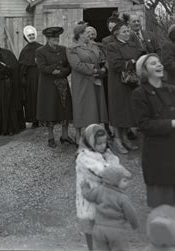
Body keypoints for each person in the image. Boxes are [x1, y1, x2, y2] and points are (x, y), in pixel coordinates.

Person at [132, 54, 175, 208]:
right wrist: (171, 123)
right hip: (157, 152)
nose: (159, 65)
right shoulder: (139, 94)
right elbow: (143, 124)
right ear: (144, 70)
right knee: (163, 204)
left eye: (159, 62)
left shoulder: (171, 89)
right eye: (153, 63)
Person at [75, 124, 121, 251]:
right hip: (90, 203)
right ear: (90, 142)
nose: (103, 146)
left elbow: (115, 166)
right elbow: (101, 173)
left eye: (104, 142)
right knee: (92, 232)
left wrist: (110, 160)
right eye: (99, 143)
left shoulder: (106, 153)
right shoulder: (83, 157)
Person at [105, 17, 143, 154]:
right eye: (125, 31)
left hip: (132, 82)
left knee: (128, 110)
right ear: (117, 33)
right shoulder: (112, 46)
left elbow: (140, 58)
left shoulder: (132, 45)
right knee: (118, 110)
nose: (128, 33)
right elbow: (115, 65)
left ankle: (125, 138)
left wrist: (132, 62)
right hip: (118, 82)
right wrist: (132, 62)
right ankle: (117, 140)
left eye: (128, 31)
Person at [81, 164, 139, 251]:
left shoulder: (99, 190)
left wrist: (84, 186)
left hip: (99, 229)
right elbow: (131, 214)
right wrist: (135, 225)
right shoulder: (123, 198)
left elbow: (88, 195)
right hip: (117, 231)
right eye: (124, 180)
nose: (128, 182)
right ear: (114, 181)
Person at [67, 23, 108, 145]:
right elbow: (77, 65)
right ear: (80, 35)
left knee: (95, 106)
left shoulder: (95, 46)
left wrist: (104, 68)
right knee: (81, 106)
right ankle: (78, 134)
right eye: (86, 33)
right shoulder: (72, 48)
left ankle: (93, 134)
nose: (88, 35)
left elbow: (103, 58)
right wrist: (94, 70)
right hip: (82, 81)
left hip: (95, 80)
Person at [36, 27, 74, 148]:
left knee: (65, 109)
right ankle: (51, 137)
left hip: (62, 83)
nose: (56, 40)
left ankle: (64, 136)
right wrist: (53, 70)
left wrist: (62, 72)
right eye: (53, 38)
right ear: (47, 39)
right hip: (48, 85)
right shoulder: (40, 51)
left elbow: (68, 67)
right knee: (50, 110)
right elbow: (42, 68)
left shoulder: (63, 50)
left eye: (57, 38)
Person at [0, 37, 25, 135]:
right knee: (2, 107)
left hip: (11, 84)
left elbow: (15, 66)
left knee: (11, 106)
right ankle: (3, 129)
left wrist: (9, 69)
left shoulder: (8, 53)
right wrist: (0, 73)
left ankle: (14, 127)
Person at [18, 25, 43, 128]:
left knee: (42, 97)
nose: (32, 36)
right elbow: (22, 66)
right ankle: (34, 120)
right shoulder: (24, 50)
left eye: (33, 34)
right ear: (26, 37)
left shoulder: (41, 48)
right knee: (32, 99)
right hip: (30, 79)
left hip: (42, 76)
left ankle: (44, 118)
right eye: (29, 35)